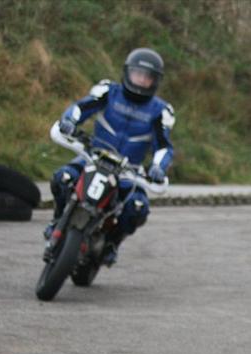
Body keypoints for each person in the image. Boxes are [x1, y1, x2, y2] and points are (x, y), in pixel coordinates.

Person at [46, 48, 175, 267]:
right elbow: (80, 108)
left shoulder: (161, 111)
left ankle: (112, 242)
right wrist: (69, 121)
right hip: (92, 158)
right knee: (63, 178)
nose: (142, 80)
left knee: (137, 207)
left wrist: (158, 168)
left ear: (155, 81)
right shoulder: (108, 91)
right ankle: (58, 219)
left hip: (128, 172)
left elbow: (163, 147)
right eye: (138, 74)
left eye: (147, 77)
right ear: (127, 72)